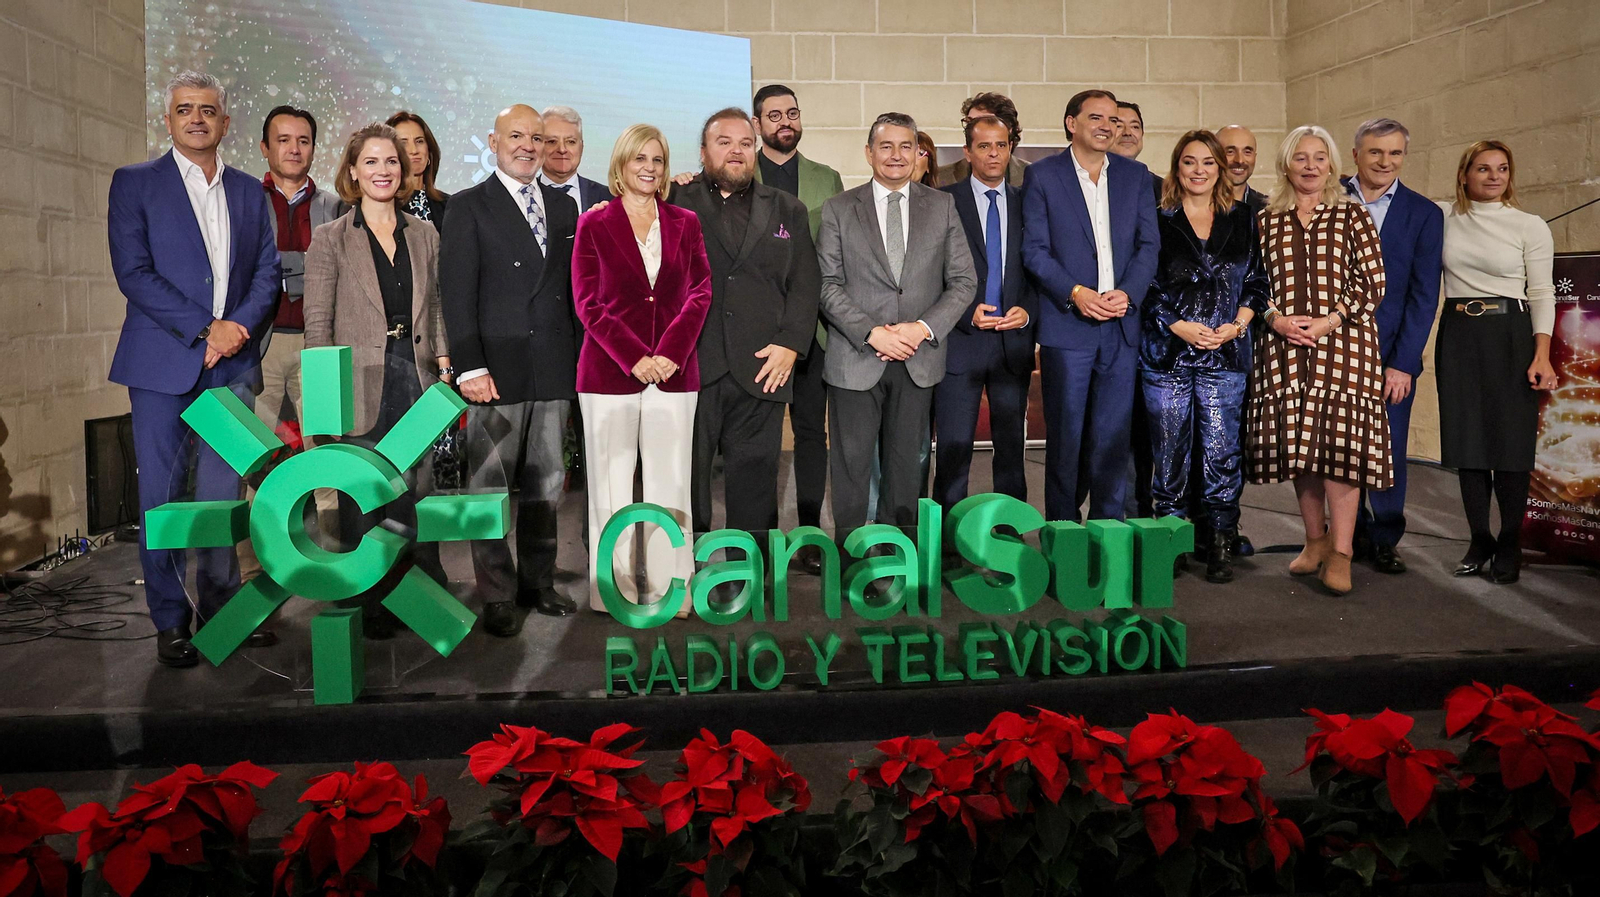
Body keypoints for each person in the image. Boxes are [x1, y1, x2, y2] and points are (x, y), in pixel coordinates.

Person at [108, 71, 280, 667]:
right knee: (162, 499)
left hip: (229, 368)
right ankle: (170, 620)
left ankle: (220, 610)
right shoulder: (135, 184)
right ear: (169, 120)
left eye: (209, 110)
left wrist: (233, 332)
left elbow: (266, 274)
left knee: (220, 496)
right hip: (161, 366)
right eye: (186, 109)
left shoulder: (248, 192)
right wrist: (206, 329)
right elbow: (133, 272)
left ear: (225, 122)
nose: (198, 118)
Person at [303, 123, 451, 637]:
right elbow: (317, 325)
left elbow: (433, 309)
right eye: (371, 162)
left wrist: (444, 368)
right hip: (357, 383)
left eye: (391, 162)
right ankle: (371, 597)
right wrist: (322, 403)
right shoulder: (331, 239)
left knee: (415, 490)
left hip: (415, 379)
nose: (383, 171)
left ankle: (420, 591)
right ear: (352, 172)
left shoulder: (425, 233)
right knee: (363, 496)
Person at [441, 104, 582, 635]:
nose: (528, 145)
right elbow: (457, 294)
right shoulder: (468, 206)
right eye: (517, 136)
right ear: (493, 141)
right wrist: (468, 365)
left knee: (547, 484)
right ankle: (497, 593)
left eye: (537, 137)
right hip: (493, 372)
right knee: (489, 485)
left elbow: (572, 296)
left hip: (551, 367)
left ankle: (538, 583)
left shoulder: (564, 209)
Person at [816, 112, 976, 555]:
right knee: (850, 470)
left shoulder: (941, 207)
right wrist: (872, 333)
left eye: (906, 146)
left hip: (917, 360)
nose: (896, 155)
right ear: (869, 153)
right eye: (885, 146)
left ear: (919, 153)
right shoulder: (838, 208)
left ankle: (897, 564)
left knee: (907, 471)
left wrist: (921, 328)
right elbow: (826, 285)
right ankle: (852, 564)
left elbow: (963, 280)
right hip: (855, 359)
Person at [573, 124, 712, 612]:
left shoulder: (685, 222)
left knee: (672, 486)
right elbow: (588, 303)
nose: (649, 167)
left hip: (675, 377)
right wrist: (636, 358)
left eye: (657, 159)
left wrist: (669, 354)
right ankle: (613, 593)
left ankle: (670, 590)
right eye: (640, 159)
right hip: (609, 376)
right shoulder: (594, 223)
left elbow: (700, 292)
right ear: (621, 165)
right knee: (609, 489)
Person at [1249, 125, 1389, 596]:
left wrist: (1330, 321)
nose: (1310, 166)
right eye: (1300, 157)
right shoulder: (1266, 219)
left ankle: (1342, 553)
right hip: (1284, 347)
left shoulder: (1352, 215)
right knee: (1302, 449)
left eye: (1319, 157)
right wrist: (1275, 319)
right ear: (1286, 164)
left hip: (1345, 347)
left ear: (1332, 164)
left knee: (1342, 455)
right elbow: (1254, 286)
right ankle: (1314, 542)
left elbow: (1373, 283)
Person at [673, 108, 820, 539]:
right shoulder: (675, 202)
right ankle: (684, 572)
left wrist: (791, 345)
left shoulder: (788, 209)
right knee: (687, 483)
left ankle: (749, 578)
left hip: (763, 367)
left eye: (744, 143)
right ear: (703, 152)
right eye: (723, 142)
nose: (735, 151)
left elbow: (806, 284)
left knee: (756, 485)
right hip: (691, 366)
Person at [1021, 89, 1160, 523]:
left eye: (1114, 120)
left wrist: (1130, 292)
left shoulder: (1136, 177)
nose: (1107, 126)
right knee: (1066, 439)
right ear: (1071, 123)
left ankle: (1108, 533)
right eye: (1096, 117)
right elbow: (1035, 250)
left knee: (1113, 440)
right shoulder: (1042, 175)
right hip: (1069, 326)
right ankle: (1062, 530)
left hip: (1121, 326)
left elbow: (1148, 245)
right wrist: (1076, 291)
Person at [1142, 130, 1269, 583]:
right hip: (1168, 354)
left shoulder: (1244, 219)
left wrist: (1236, 325)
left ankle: (1219, 540)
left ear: (1219, 169)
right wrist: (1177, 324)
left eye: (1208, 163)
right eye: (1190, 162)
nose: (1199, 171)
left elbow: (1256, 281)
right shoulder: (1157, 218)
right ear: (1177, 167)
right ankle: (1172, 540)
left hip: (1226, 353)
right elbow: (1145, 283)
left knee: (1221, 453)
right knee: (1170, 453)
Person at [1436, 140, 1556, 585]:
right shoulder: (1444, 218)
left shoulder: (1529, 225)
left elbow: (1542, 292)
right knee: (1468, 444)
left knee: (1510, 446)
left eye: (1502, 168)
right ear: (1465, 174)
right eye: (1483, 168)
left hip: (1511, 335)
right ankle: (1478, 538)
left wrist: (1541, 352)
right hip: (1460, 333)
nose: (1493, 176)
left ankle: (1509, 541)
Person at [237, 105, 340, 588]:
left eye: (303, 140)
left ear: (314, 149)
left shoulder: (336, 206)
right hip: (259, 343)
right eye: (284, 140)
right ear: (265, 148)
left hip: (319, 345)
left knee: (328, 455)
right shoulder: (243, 200)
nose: (294, 148)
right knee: (254, 459)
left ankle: (338, 568)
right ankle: (254, 574)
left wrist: (284, 268)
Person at [1342, 118, 1444, 575]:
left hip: (1389, 356)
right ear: (1356, 154)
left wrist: (1403, 363)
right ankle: (1345, 535)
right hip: (1331, 350)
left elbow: (1424, 296)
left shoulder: (1424, 214)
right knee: (1336, 448)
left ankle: (1385, 535)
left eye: (1395, 153)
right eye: (1376, 152)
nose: (1385, 162)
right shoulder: (1327, 198)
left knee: (1387, 446)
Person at [751, 84, 844, 574]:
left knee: (812, 433)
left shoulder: (826, 178)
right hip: (758, 332)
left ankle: (809, 537)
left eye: (791, 113)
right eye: (773, 115)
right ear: (757, 123)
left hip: (815, 330)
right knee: (761, 439)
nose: (784, 121)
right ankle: (759, 541)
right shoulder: (742, 173)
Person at [933, 115, 1036, 511]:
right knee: (954, 452)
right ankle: (947, 546)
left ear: (1010, 149)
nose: (993, 154)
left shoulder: (1028, 203)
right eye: (983, 146)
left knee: (1011, 453)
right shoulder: (945, 203)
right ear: (967, 152)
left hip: (1013, 346)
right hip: (962, 343)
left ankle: (1009, 535)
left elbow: (1038, 269)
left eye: (1001, 145)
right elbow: (931, 273)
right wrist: (962, 312)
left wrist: (1027, 313)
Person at [1109, 99, 1160, 520]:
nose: (1127, 132)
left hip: (1159, 334)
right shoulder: (1075, 185)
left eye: (1135, 125)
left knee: (1150, 436)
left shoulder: (1164, 188)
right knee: (1111, 437)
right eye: (1117, 124)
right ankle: (1117, 521)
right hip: (1102, 329)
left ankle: (1149, 521)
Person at [936, 92, 1029, 189]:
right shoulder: (941, 177)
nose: (972, 128)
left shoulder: (1032, 175)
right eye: (969, 122)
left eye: (983, 122)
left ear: (1008, 128)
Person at [538, 105, 611, 212]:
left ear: (581, 147)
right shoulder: (524, 194)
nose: (562, 150)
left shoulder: (608, 197)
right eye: (552, 141)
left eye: (571, 142)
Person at [386, 111, 449, 229]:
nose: (414, 150)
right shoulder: (384, 206)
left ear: (429, 151)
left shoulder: (450, 205)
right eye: (403, 143)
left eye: (419, 141)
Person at [1217, 125, 1268, 212]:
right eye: (1230, 152)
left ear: (1255, 157)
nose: (1240, 160)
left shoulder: (1269, 209)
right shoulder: (1197, 206)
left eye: (1247, 152)